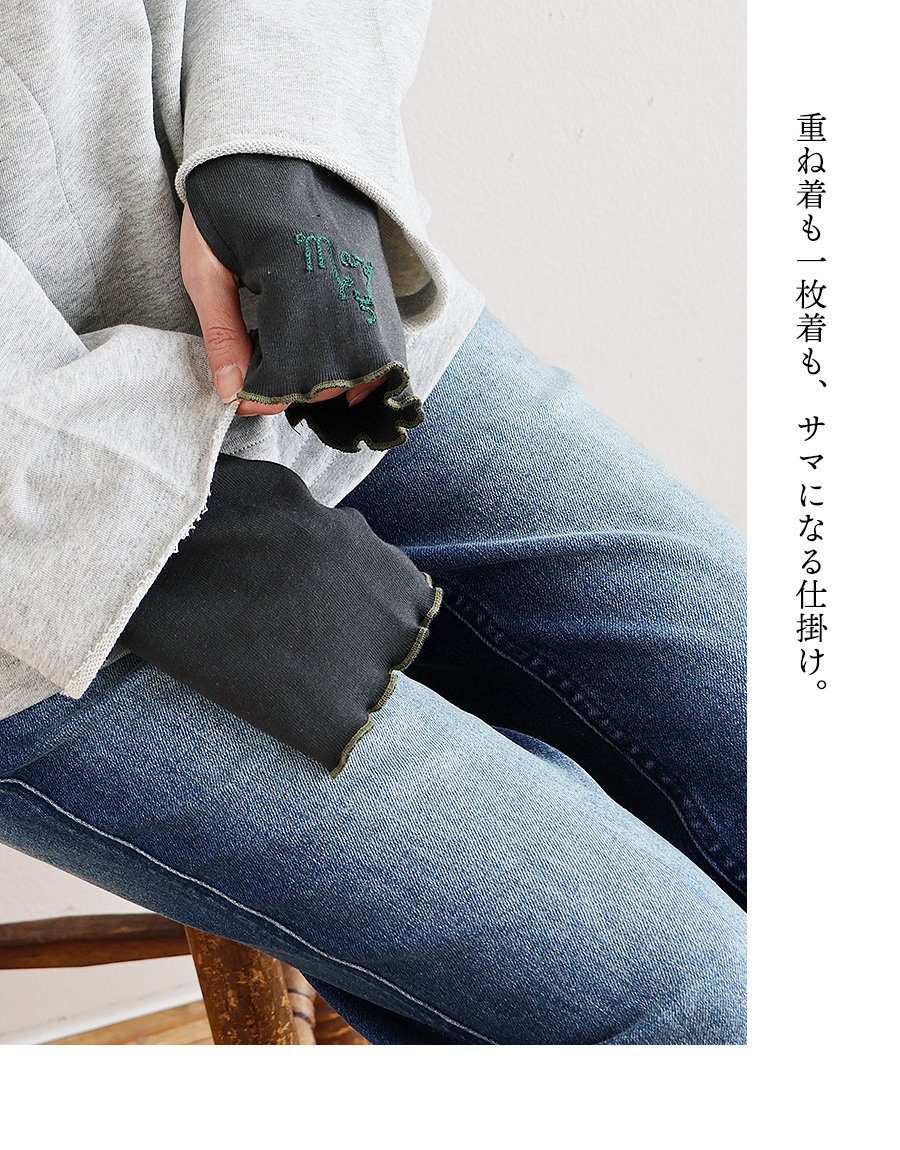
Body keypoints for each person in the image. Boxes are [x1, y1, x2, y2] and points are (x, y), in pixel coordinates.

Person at [0, 2, 746, 1044]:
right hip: (46, 585)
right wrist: (127, 516)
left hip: (308, 322)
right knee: (703, 1008)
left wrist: (283, 158)